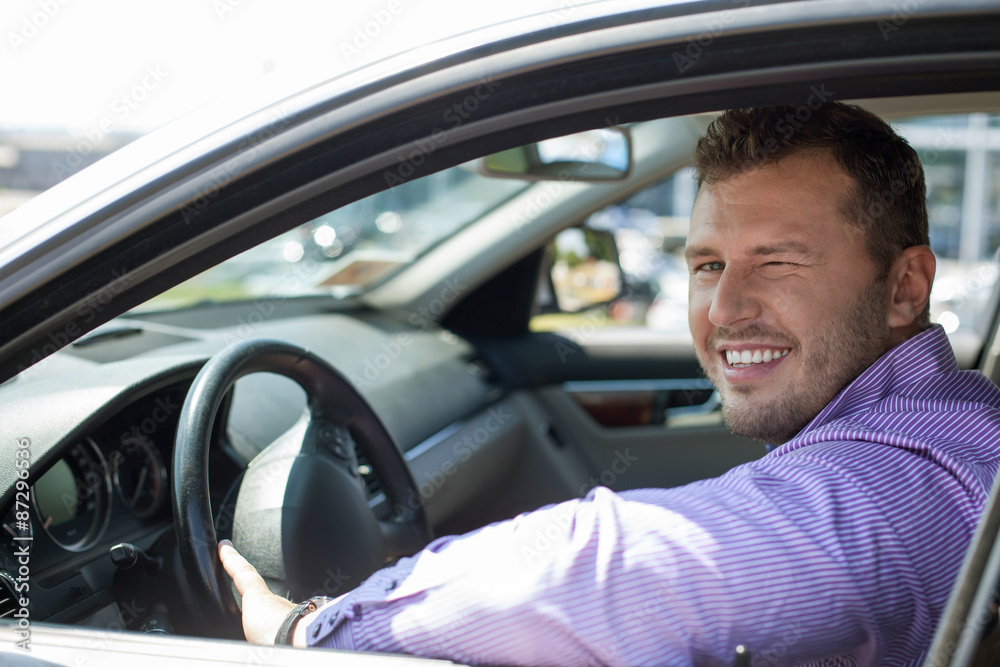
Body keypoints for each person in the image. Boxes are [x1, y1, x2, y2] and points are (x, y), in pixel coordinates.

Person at [219, 102, 1000, 665]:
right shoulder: (952, 417)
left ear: (905, 287)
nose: (725, 308)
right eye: (707, 265)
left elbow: (600, 570)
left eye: (778, 261)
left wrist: (305, 631)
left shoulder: (914, 476)